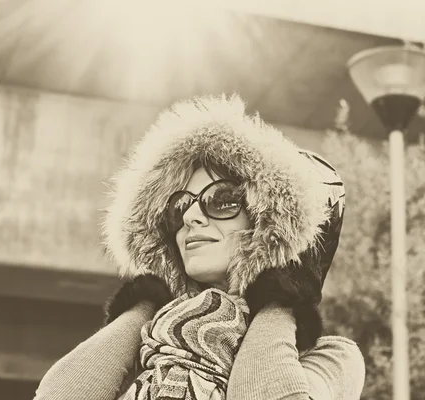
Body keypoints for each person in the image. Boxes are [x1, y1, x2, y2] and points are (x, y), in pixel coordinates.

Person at [34, 94, 365, 400]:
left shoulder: (333, 356)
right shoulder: (146, 339)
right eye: (178, 206)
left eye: (221, 200)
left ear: (269, 225)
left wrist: (279, 296)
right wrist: (147, 300)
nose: (191, 216)